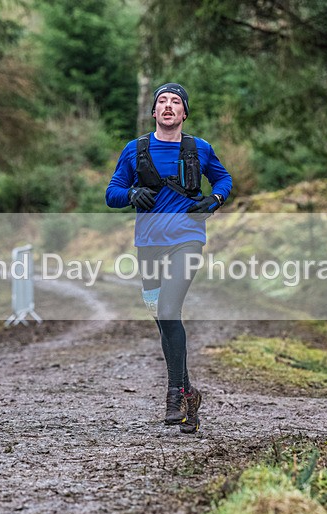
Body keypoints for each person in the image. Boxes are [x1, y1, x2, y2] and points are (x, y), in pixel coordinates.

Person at [105, 83, 233, 433]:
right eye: (162, 101)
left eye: (176, 102)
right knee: (163, 319)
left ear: (184, 113)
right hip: (148, 245)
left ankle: (174, 395)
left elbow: (224, 179)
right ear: (154, 112)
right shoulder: (135, 150)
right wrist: (131, 193)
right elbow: (111, 194)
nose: (168, 106)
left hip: (187, 240)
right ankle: (190, 392)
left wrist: (215, 200)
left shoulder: (199, 148)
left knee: (168, 309)